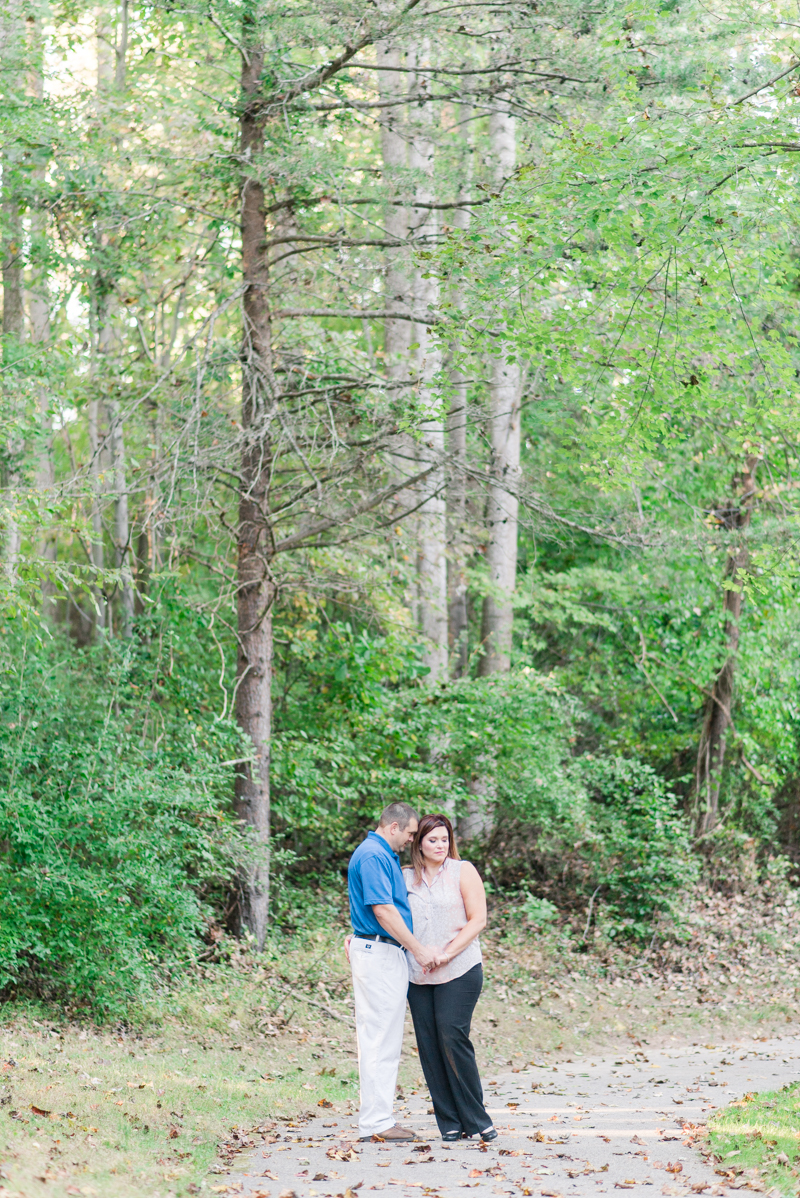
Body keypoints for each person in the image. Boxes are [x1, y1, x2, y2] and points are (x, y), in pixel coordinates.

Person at [347, 801, 441, 1143]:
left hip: (381, 950)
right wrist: (418, 949)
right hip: (380, 951)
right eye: (411, 833)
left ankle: (378, 1119)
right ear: (393, 827)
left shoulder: (380, 854)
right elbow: (383, 911)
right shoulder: (373, 855)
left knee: (383, 1039)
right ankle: (376, 1122)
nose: (411, 840)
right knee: (378, 1039)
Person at [403, 813, 496, 1142]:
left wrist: (446, 953)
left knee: (452, 1038)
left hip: (460, 968)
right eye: (432, 839)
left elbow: (478, 919)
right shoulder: (404, 878)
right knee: (429, 1046)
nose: (440, 845)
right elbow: (388, 918)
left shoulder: (462, 871)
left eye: (444, 839)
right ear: (418, 843)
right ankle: (450, 1122)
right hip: (418, 975)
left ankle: (477, 1118)